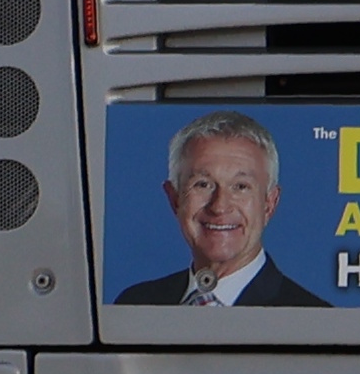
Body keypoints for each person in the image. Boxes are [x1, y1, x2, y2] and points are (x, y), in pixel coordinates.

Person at [116, 110, 326, 307]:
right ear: (174, 198)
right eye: (203, 184)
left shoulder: (313, 319)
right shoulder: (134, 302)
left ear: (269, 204)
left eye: (241, 187)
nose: (219, 206)